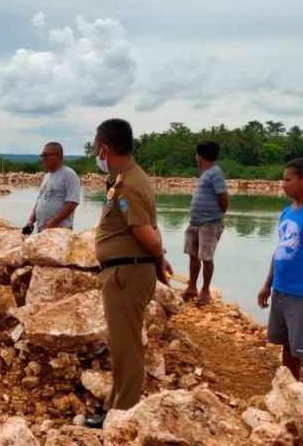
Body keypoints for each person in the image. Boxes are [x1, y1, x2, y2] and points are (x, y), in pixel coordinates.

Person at [85, 120, 173, 428]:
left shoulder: (129, 185)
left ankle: (124, 414)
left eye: (97, 149)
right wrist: (158, 259)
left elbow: (144, 232)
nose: (96, 154)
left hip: (127, 273)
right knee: (121, 342)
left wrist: (159, 256)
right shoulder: (125, 179)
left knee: (127, 345)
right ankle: (115, 405)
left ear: (105, 149)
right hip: (125, 270)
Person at [258, 158, 303, 393]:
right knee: (288, 347)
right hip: (282, 289)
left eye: (288, 179)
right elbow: (280, 249)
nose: (282, 184)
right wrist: (268, 284)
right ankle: (289, 394)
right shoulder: (287, 211)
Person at [183, 140, 229, 305]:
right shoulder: (207, 173)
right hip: (195, 223)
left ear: (199, 156)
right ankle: (192, 287)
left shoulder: (215, 173)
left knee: (206, 257)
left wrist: (216, 216)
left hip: (209, 224)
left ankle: (205, 291)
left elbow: (223, 198)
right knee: (193, 256)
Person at [24, 142, 81, 233]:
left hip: (60, 230)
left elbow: (72, 202)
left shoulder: (69, 175)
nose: (43, 159)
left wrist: (54, 222)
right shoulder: (47, 176)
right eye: (42, 156)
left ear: (59, 156)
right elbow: (39, 201)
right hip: (42, 230)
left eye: (45, 155)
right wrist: (30, 221)